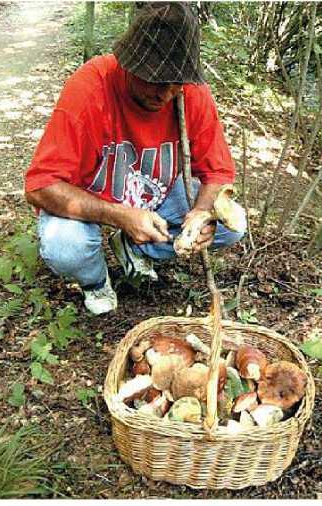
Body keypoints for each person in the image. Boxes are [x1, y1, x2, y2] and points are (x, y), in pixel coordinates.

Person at [24, 2, 244, 315]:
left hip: (155, 197)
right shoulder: (90, 90)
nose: (166, 94)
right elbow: (39, 186)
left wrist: (202, 213)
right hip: (92, 205)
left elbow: (219, 173)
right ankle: (94, 280)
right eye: (155, 80)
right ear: (129, 64)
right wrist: (119, 216)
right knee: (65, 244)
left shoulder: (191, 94)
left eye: (176, 83)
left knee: (231, 225)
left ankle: (136, 248)